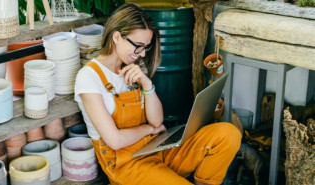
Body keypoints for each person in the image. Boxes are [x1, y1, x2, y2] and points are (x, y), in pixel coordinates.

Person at [75, 3, 242, 185]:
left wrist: (147, 84)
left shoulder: (134, 67)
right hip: (127, 165)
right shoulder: (89, 77)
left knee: (228, 134)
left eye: (146, 47)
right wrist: (150, 130)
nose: (142, 53)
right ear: (116, 37)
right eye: (138, 46)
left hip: (156, 149)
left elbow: (157, 121)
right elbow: (114, 141)